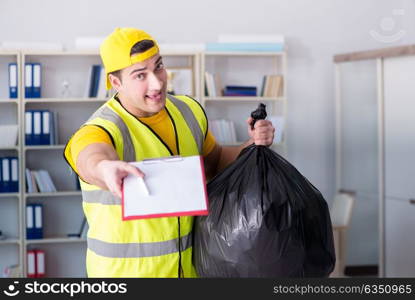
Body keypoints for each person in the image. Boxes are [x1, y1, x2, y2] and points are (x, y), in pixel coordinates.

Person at [64, 27, 275, 278]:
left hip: (187, 274)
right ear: (116, 82)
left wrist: (250, 145)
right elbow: (90, 155)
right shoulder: (102, 127)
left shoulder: (188, 111)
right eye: (140, 75)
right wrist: (103, 168)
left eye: (159, 66)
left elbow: (215, 162)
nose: (157, 82)